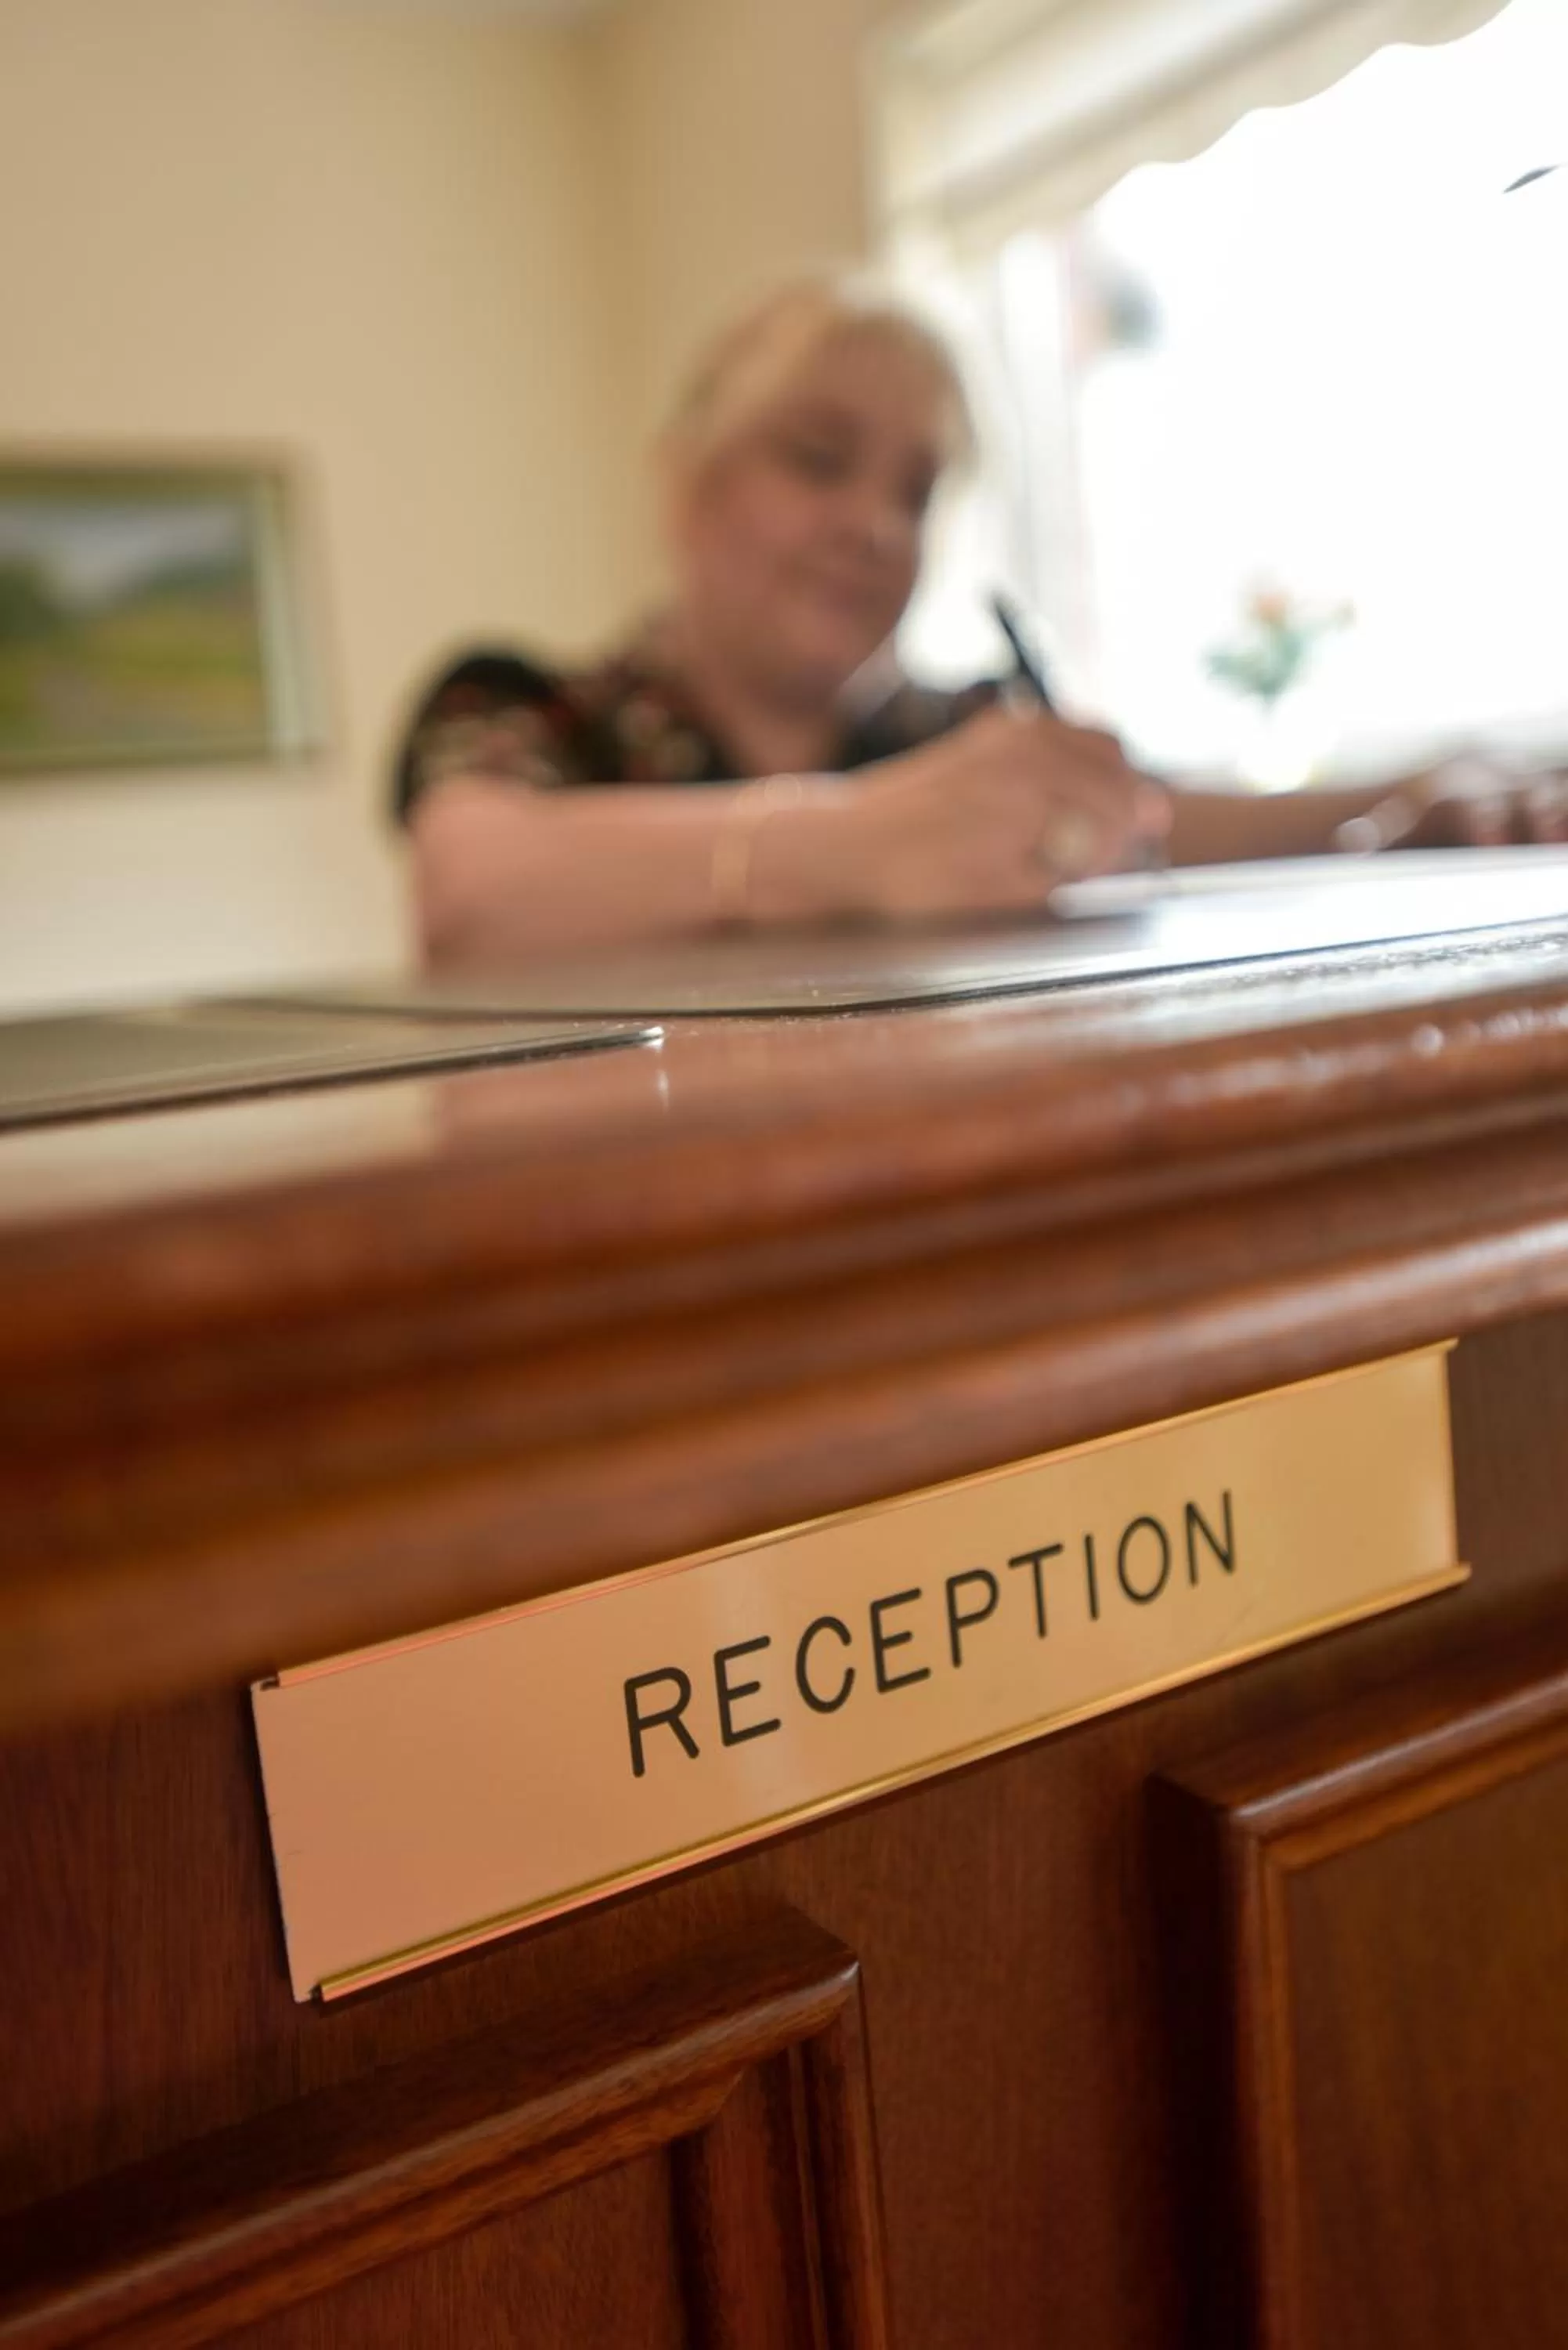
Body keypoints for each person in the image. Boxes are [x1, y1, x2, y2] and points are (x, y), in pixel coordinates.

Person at [395, 277, 1567, 968]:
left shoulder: (960, 733)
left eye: (914, 492)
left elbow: (1161, 819)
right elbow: (473, 883)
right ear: (689, 484)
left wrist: (1403, 807)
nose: (873, 526)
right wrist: (858, 841)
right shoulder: (517, 708)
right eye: (817, 460)